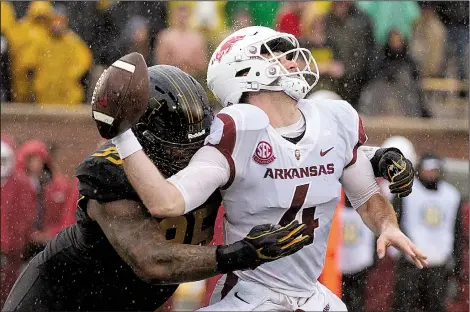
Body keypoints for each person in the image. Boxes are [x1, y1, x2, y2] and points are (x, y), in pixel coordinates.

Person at [107, 26, 427, 311]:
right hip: (249, 297)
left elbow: (367, 198)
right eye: (277, 54)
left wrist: (388, 225)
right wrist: (120, 133)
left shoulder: (335, 118)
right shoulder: (238, 128)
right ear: (246, 69)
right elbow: (166, 201)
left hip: (312, 297)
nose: (293, 61)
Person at [2, 65, 309, 312]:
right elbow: (152, 261)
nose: (191, 158)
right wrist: (241, 253)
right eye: (178, 149)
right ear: (141, 138)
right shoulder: (111, 171)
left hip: (135, 301)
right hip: (63, 299)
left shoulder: (216, 155)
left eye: (199, 145)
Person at [392, 152, 465, 312]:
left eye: (435, 169)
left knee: (435, 306)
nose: (431, 173)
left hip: (438, 266)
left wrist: (458, 265)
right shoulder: (406, 191)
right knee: (405, 306)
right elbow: (393, 222)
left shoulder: (451, 195)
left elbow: (457, 231)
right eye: (427, 169)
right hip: (411, 264)